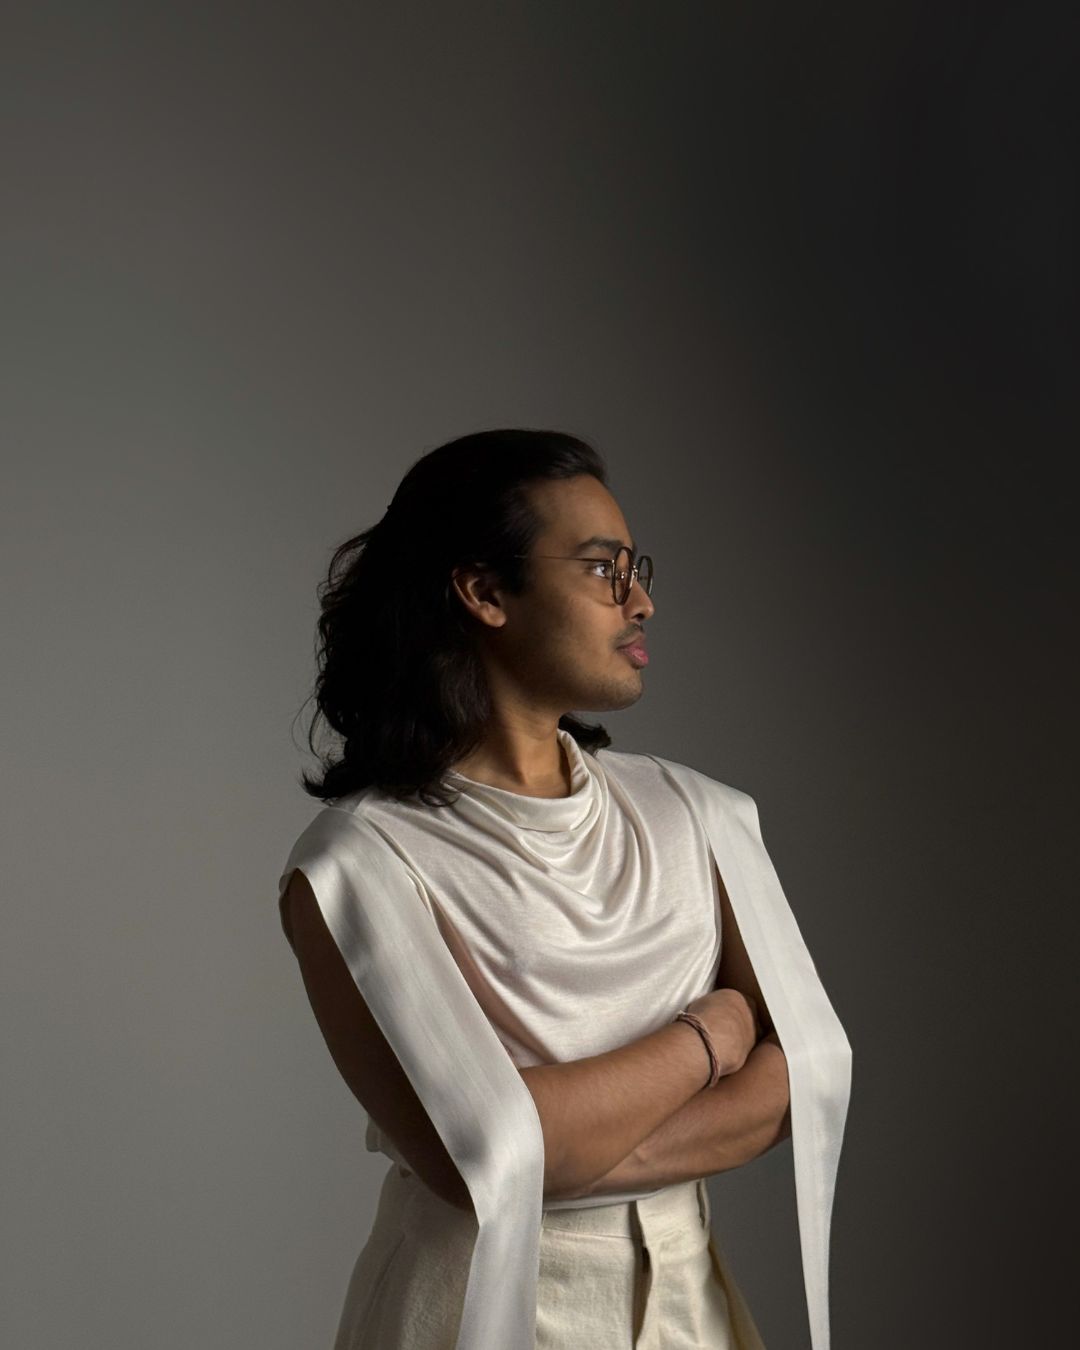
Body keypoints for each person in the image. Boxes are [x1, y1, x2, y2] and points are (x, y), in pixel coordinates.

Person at [276, 428, 852, 1349]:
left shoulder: (701, 815)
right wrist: (714, 1035)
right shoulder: (358, 865)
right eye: (600, 568)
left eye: (635, 569)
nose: (642, 601)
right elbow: (474, 1159)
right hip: (468, 1313)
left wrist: (552, 1143)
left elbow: (804, 1083)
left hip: (687, 1309)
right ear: (484, 591)